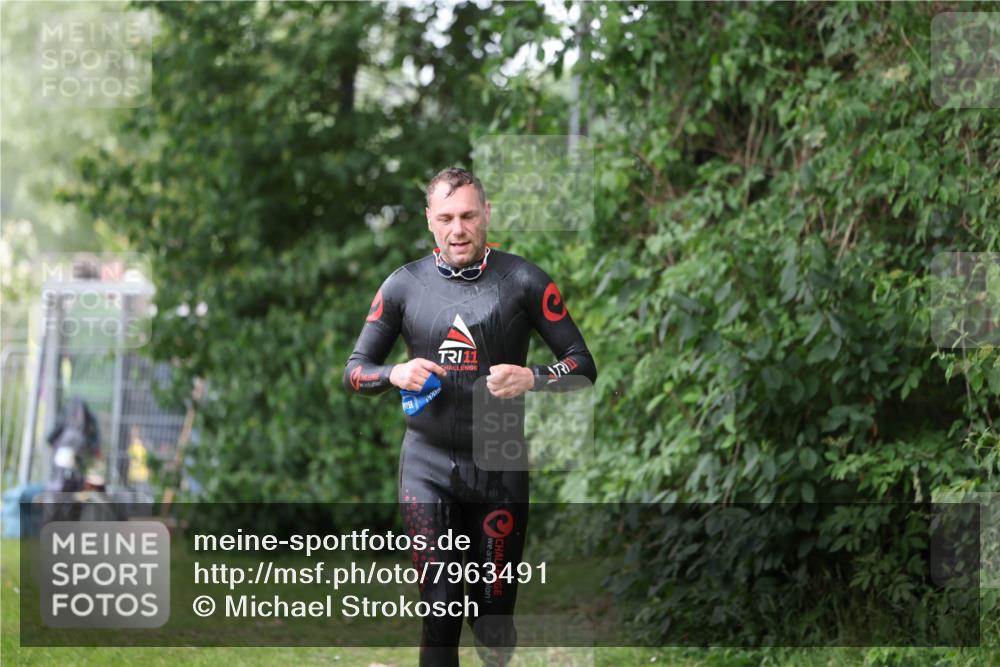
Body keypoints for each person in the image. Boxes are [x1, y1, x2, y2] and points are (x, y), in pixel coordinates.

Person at [343, 167, 597, 666]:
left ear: (487, 216)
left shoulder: (524, 280)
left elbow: (582, 366)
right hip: (427, 462)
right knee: (440, 611)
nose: (458, 229)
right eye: (446, 218)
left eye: (467, 216)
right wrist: (395, 373)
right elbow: (355, 371)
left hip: (500, 457)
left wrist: (534, 377)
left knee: (493, 620)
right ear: (429, 223)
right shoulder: (403, 286)